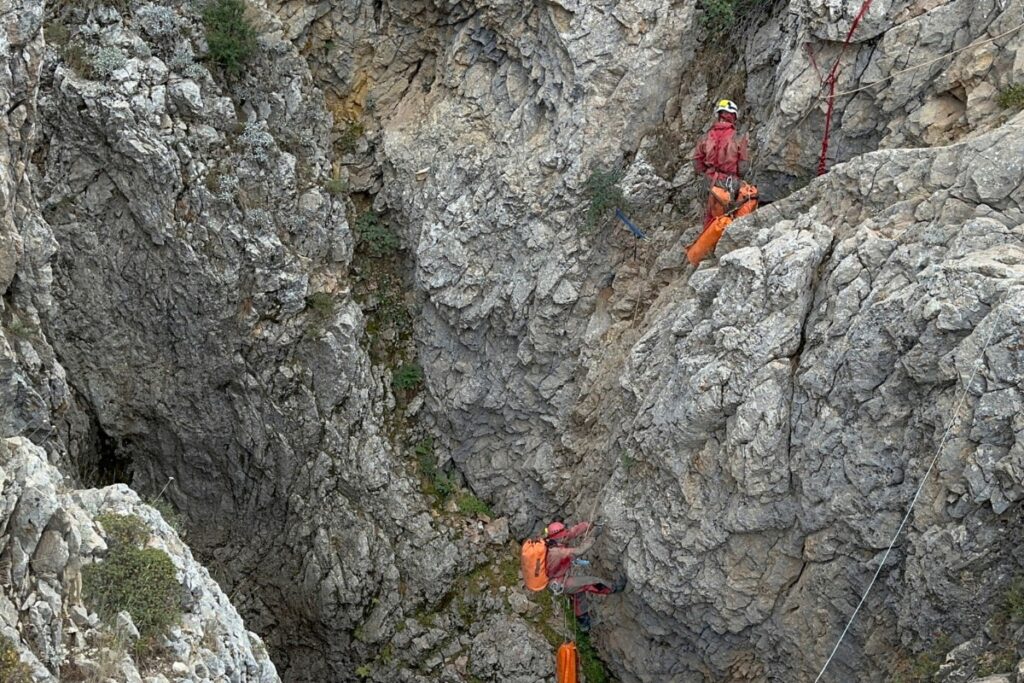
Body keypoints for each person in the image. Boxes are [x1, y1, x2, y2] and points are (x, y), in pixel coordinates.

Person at [693, 99, 749, 230]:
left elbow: (697, 163)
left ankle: (705, 240)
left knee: (708, 214)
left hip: (709, 180)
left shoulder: (706, 136)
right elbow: (743, 167)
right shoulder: (739, 137)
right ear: (734, 116)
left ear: (719, 115)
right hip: (728, 182)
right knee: (726, 216)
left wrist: (708, 172)